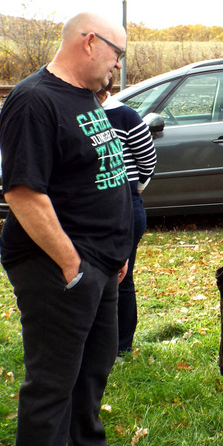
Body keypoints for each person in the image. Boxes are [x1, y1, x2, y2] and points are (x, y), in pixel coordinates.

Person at [0, 12, 143, 446]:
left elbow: (98, 175)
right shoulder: (34, 101)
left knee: (93, 369)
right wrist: (71, 264)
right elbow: (23, 193)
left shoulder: (84, 95)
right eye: (117, 54)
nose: (118, 64)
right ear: (89, 42)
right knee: (53, 381)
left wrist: (115, 252)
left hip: (102, 260)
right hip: (56, 264)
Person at [96, 78, 157, 357]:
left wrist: (133, 190)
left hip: (127, 209)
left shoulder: (126, 116)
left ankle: (121, 347)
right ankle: (96, 343)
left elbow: (148, 162)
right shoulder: (75, 113)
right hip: (90, 211)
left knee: (122, 279)